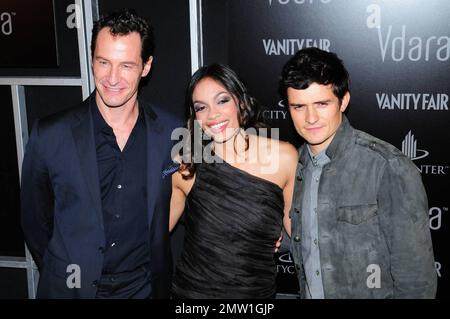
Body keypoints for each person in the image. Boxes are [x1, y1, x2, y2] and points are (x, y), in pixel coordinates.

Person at [20, 9, 180, 298]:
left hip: (144, 290)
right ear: (92, 60)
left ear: (146, 66)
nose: (112, 77)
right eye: (103, 62)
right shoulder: (51, 133)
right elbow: (34, 220)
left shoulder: (172, 133)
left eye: (127, 65)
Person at [280, 47, 437, 298]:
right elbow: (297, 242)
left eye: (321, 103)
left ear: (343, 101)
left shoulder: (387, 166)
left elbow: (416, 279)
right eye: (299, 106)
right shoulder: (291, 166)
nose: (310, 117)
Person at [169, 64, 298, 298]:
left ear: (240, 100)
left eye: (222, 101)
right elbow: (151, 234)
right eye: (201, 107)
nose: (213, 115)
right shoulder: (186, 166)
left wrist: (270, 233)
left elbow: (301, 235)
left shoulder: (284, 157)